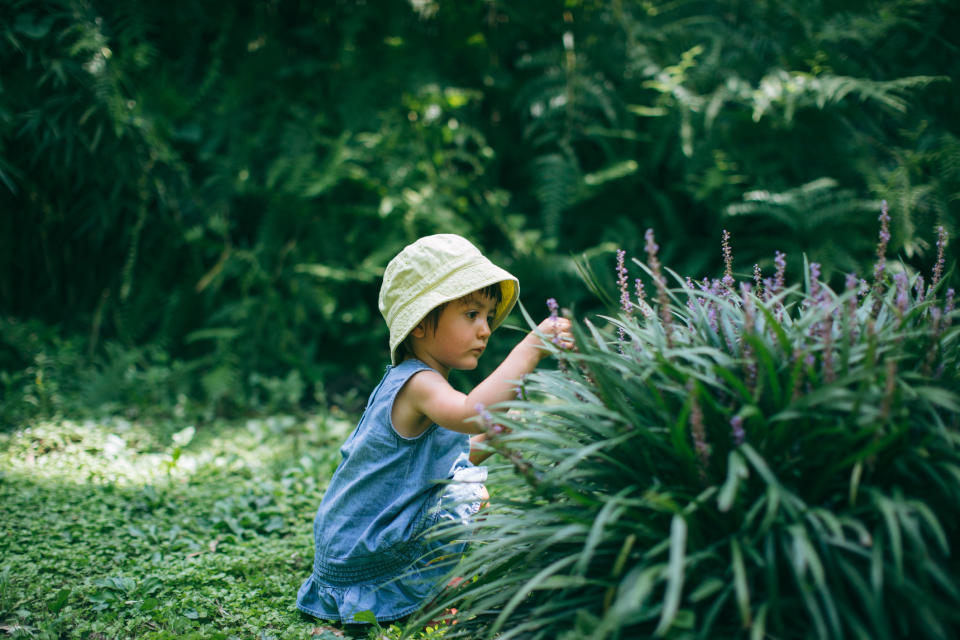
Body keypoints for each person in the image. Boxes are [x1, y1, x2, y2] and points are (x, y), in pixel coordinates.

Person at [295, 233, 573, 624]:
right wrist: (530, 349)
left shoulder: (419, 381)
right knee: (471, 493)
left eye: (488, 317)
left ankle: (436, 583)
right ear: (422, 324)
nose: (485, 329)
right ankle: (432, 592)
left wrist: (489, 440)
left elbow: (427, 467)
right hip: (361, 552)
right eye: (471, 314)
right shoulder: (418, 384)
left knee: (463, 482)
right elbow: (471, 413)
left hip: (349, 548)